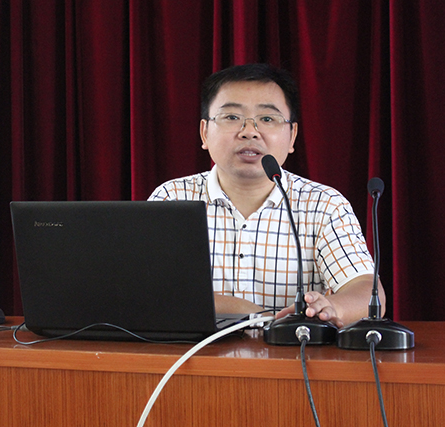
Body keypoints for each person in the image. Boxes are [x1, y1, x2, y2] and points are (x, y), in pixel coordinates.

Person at [148, 63, 384, 327]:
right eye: (231, 117)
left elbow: (365, 289)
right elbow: (148, 295)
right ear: (205, 132)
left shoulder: (324, 205)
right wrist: (252, 314)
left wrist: (331, 308)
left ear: (292, 136)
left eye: (268, 119)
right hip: (193, 354)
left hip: (294, 352)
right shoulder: (172, 199)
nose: (249, 131)